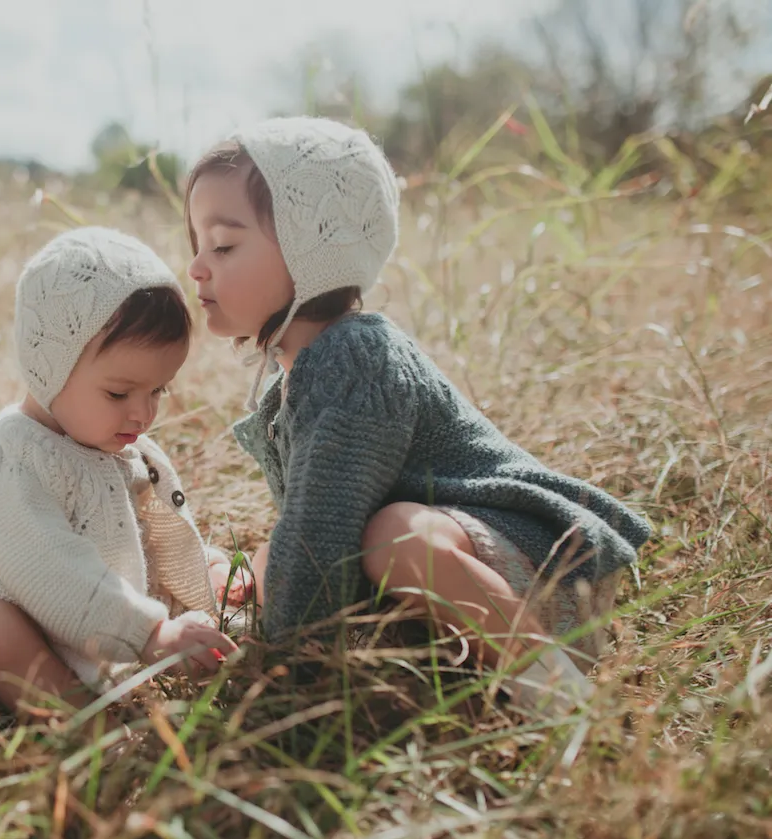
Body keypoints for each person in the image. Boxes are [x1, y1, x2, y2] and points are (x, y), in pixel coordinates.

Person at [183, 117, 652, 712]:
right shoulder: (295, 375)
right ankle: (456, 674)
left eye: (222, 245)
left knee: (391, 535)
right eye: (197, 245)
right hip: (473, 576)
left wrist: (282, 681)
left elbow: (320, 537)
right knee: (274, 561)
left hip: (553, 579)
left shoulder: (354, 357)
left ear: (312, 254)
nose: (198, 266)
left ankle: (563, 698)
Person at [0, 226, 238, 713]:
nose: (143, 414)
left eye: (158, 391)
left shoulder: (120, 444)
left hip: (101, 622)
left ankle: (116, 671)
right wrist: (151, 633)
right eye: (118, 393)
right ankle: (83, 727)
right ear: (49, 368)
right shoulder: (10, 455)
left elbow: (154, 537)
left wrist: (200, 582)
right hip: (23, 619)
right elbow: (51, 568)